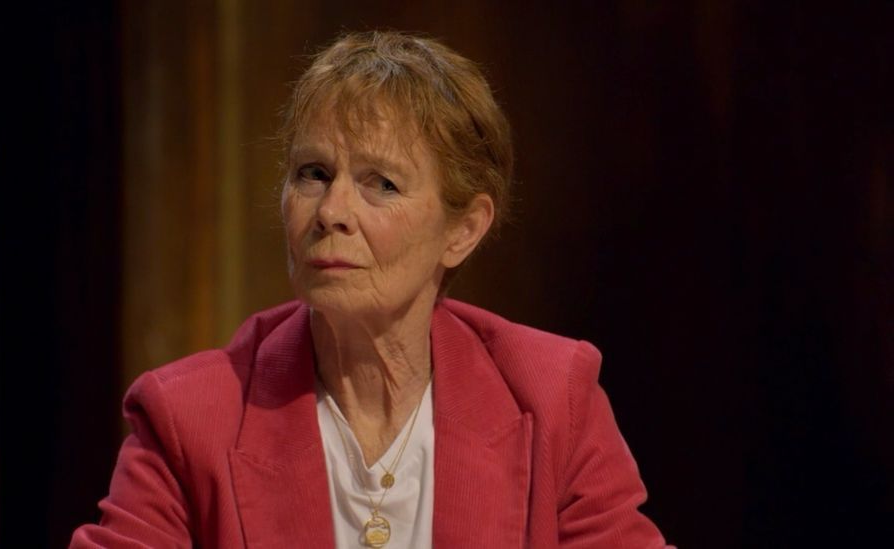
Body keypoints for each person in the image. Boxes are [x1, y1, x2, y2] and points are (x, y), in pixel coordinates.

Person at [71, 30, 672, 548]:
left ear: (463, 230)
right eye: (313, 174)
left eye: (380, 184)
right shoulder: (191, 418)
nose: (331, 211)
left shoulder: (550, 399)